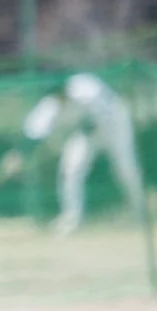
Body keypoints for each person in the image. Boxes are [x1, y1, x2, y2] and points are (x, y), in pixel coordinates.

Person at [22, 72, 144, 234]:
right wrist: (20, 155)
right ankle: (72, 219)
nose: (59, 96)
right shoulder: (50, 105)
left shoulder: (86, 88)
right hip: (86, 133)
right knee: (71, 170)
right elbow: (34, 134)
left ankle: (140, 213)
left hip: (116, 125)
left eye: (60, 91)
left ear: (65, 87)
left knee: (125, 169)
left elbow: (102, 115)